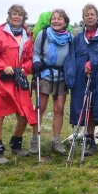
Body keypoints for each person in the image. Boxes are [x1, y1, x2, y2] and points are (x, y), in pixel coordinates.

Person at [0, 4, 37, 165]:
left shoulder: (27, 36)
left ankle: (16, 144)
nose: (17, 17)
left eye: (20, 14)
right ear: (9, 15)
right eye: (14, 14)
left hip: (18, 80)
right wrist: (3, 67)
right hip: (1, 80)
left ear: (24, 17)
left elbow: (28, 59)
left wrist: (24, 68)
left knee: (24, 115)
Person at [65, 3, 98, 156]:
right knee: (88, 110)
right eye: (87, 15)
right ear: (83, 18)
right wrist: (71, 79)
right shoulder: (78, 38)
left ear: (97, 16)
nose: (90, 17)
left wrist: (93, 63)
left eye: (92, 14)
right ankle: (90, 142)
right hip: (82, 80)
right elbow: (71, 59)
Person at [30, 9, 72, 155]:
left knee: (59, 109)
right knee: (40, 108)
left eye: (59, 19)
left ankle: (56, 140)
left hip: (61, 76)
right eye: (53, 18)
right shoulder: (44, 34)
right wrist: (36, 63)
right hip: (44, 74)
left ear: (65, 22)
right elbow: (35, 53)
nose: (55, 21)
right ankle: (34, 139)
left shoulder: (69, 38)